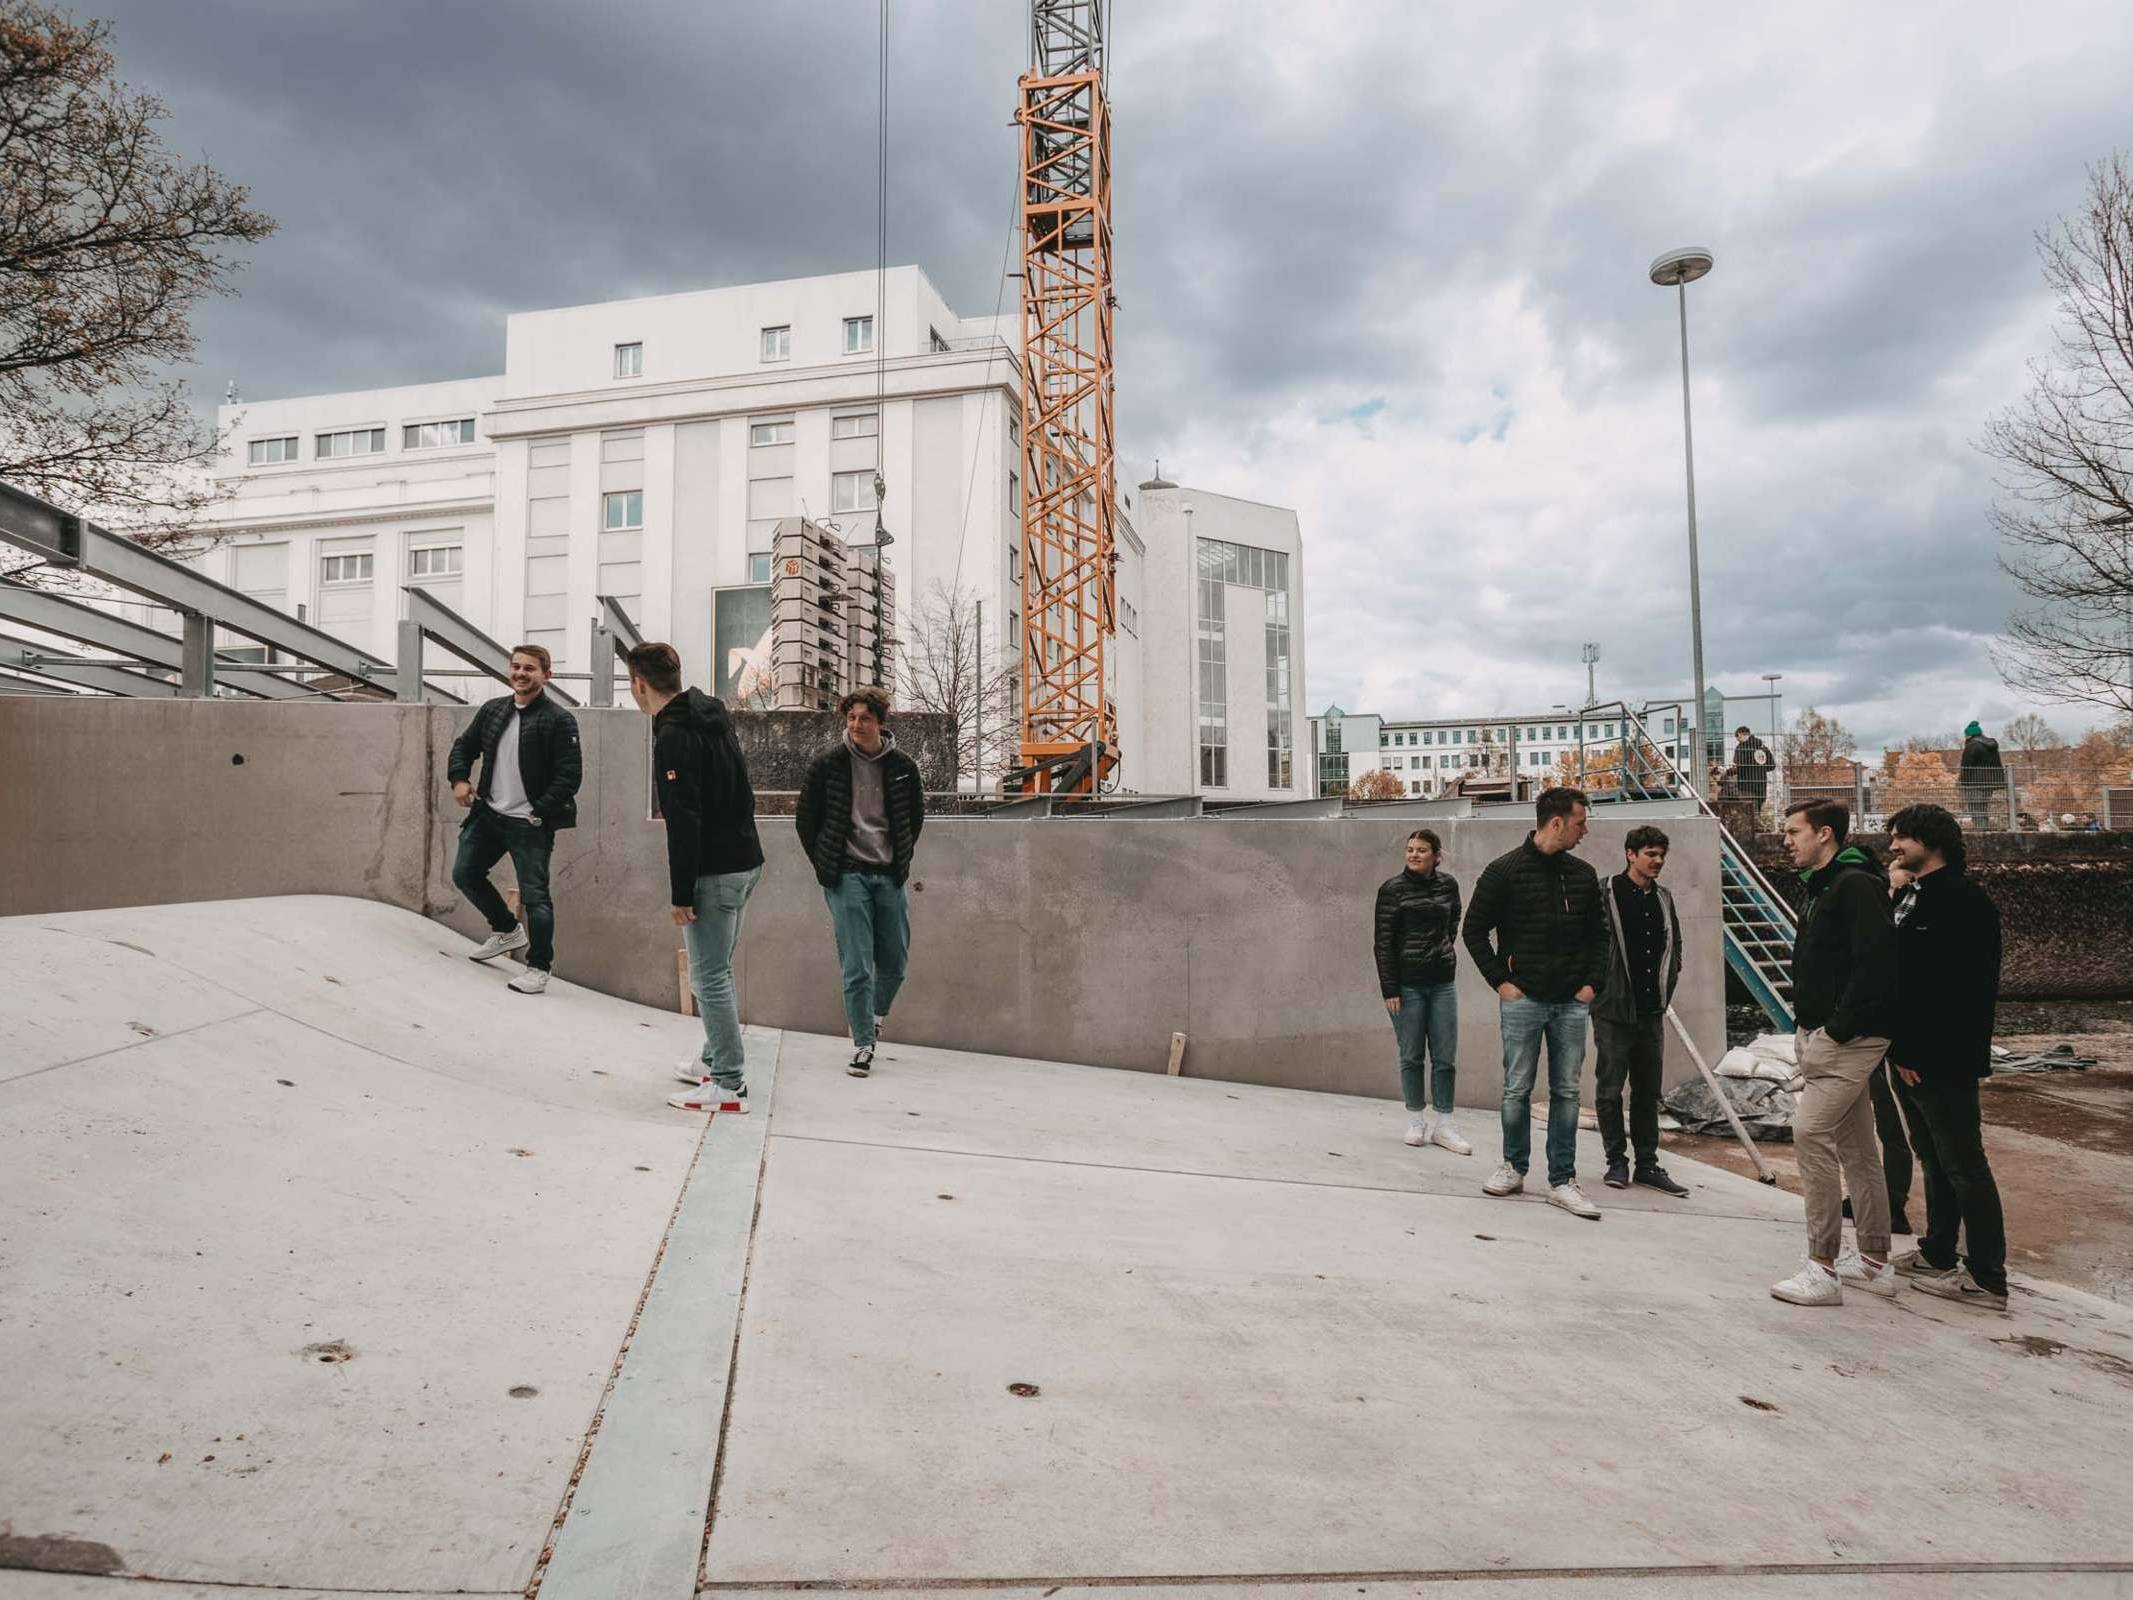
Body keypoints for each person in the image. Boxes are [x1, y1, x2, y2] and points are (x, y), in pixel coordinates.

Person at [625, 642, 765, 1117]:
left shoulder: (674, 735)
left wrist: (681, 893)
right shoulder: (711, 716)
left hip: (715, 870)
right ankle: (711, 1059)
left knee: (709, 977)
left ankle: (728, 1084)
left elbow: (683, 819)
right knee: (717, 968)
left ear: (638, 684)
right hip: (745, 861)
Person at [1769, 798, 1899, 1306]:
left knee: (1809, 1132)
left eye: (1793, 832)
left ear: (1825, 834)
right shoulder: (1823, 887)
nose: (1786, 840)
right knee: (1858, 1146)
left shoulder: (1854, 886)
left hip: (1849, 1037)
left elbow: (1877, 966)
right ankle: (1874, 1260)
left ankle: (1822, 1267)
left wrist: (1834, 1031)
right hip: (1828, 1032)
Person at [1461, 786, 1609, 1220]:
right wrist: (1500, 983)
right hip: (1523, 999)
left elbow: (1600, 936)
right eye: (1581, 823)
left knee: (1566, 1091)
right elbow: (1473, 931)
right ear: (1557, 822)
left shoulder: (1582, 874)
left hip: (1570, 1002)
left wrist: (1591, 985)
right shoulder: (1503, 871)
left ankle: (1562, 1181)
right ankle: (1513, 1167)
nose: (1585, 831)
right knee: (1517, 1088)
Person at [1885, 803, 2010, 1311]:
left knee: (1964, 1163)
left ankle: (1986, 1276)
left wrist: (1917, 1049)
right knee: (1934, 1157)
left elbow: (1959, 990)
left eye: (1901, 838)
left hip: (1940, 1058)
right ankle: (1938, 1252)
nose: (1893, 846)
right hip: (1911, 1054)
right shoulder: (1919, 897)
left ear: (1929, 841)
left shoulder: (1961, 902)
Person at [796, 686, 926, 1078]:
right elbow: (806, 820)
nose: (856, 725)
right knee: (856, 966)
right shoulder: (827, 765)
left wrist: (899, 857)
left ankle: (872, 1018)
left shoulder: (904, 767)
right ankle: (863, 1045)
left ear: (880, 722)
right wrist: (826, 865)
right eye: (851, 717)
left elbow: (913, 819)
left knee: (896, 963)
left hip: (889, 874)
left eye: (865, 718)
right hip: (846, 874)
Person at [447, 644, 582, 995]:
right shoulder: (494, 710)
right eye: (517, 667)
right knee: (465, 873)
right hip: (489, 814)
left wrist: (538, 812)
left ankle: (539, 967)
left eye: (531, 669)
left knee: (536, 897)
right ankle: (506, 929)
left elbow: (569, 777)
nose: (521, 673)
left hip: (529, 824)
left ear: (546, 675)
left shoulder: (559, 719)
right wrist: (460, 779)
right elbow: (464, 746)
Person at [1592, 825, 1689, 1197]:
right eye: (1650, 854)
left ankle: (1648, 1164)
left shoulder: (1663, 898)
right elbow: (1592, 942)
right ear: (1630, 854)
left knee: (1648, 1091)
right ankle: (1616, 1161)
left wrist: (1670, 981)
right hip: (1614, 1009)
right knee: (1610, 1088)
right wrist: (1599, 988)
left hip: (1651, 1011)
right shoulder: (1607, 891)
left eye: (1661, 855)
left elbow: (1674, 944)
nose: (1658, 861)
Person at [1373, 829, 1471, 1155]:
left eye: (1422, 850)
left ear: (1436, 856)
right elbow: (1383, 944)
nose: (1414, 855)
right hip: (1406, 986)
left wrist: (1441, 952)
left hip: (1442, 983)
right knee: (1411, 1055)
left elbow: (1452, 923)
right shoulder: (1392, 890)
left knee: (1445, 1057)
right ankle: (1416, 1120)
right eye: (1410, 850)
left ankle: (1445, 1125)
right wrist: (1390, 988)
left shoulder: (1449, 886)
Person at [1958, 721, 2004, 829]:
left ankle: (1981, 832)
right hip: (1990, 782)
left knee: (1976, 808)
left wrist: (1963, 781)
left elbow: (1966, 766)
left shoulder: (1972, 745)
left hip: (1975, 782)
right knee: (1982, 807)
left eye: (1966, 735)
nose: (1965, 737)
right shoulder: (1991, 745)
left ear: (1969, 735)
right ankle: (1985, 830)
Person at [1732, 724, 1774, 807]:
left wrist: (1729, 771)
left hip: (1745, 787)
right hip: (1760, 787)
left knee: (1747, 815)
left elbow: (1739, 765)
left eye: (1737, 737)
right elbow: (1772, 765)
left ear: (1741, 734)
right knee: (1756, 815)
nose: (1737, 739)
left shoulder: (1740, 748)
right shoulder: (1762, 747)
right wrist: (1759, 769)